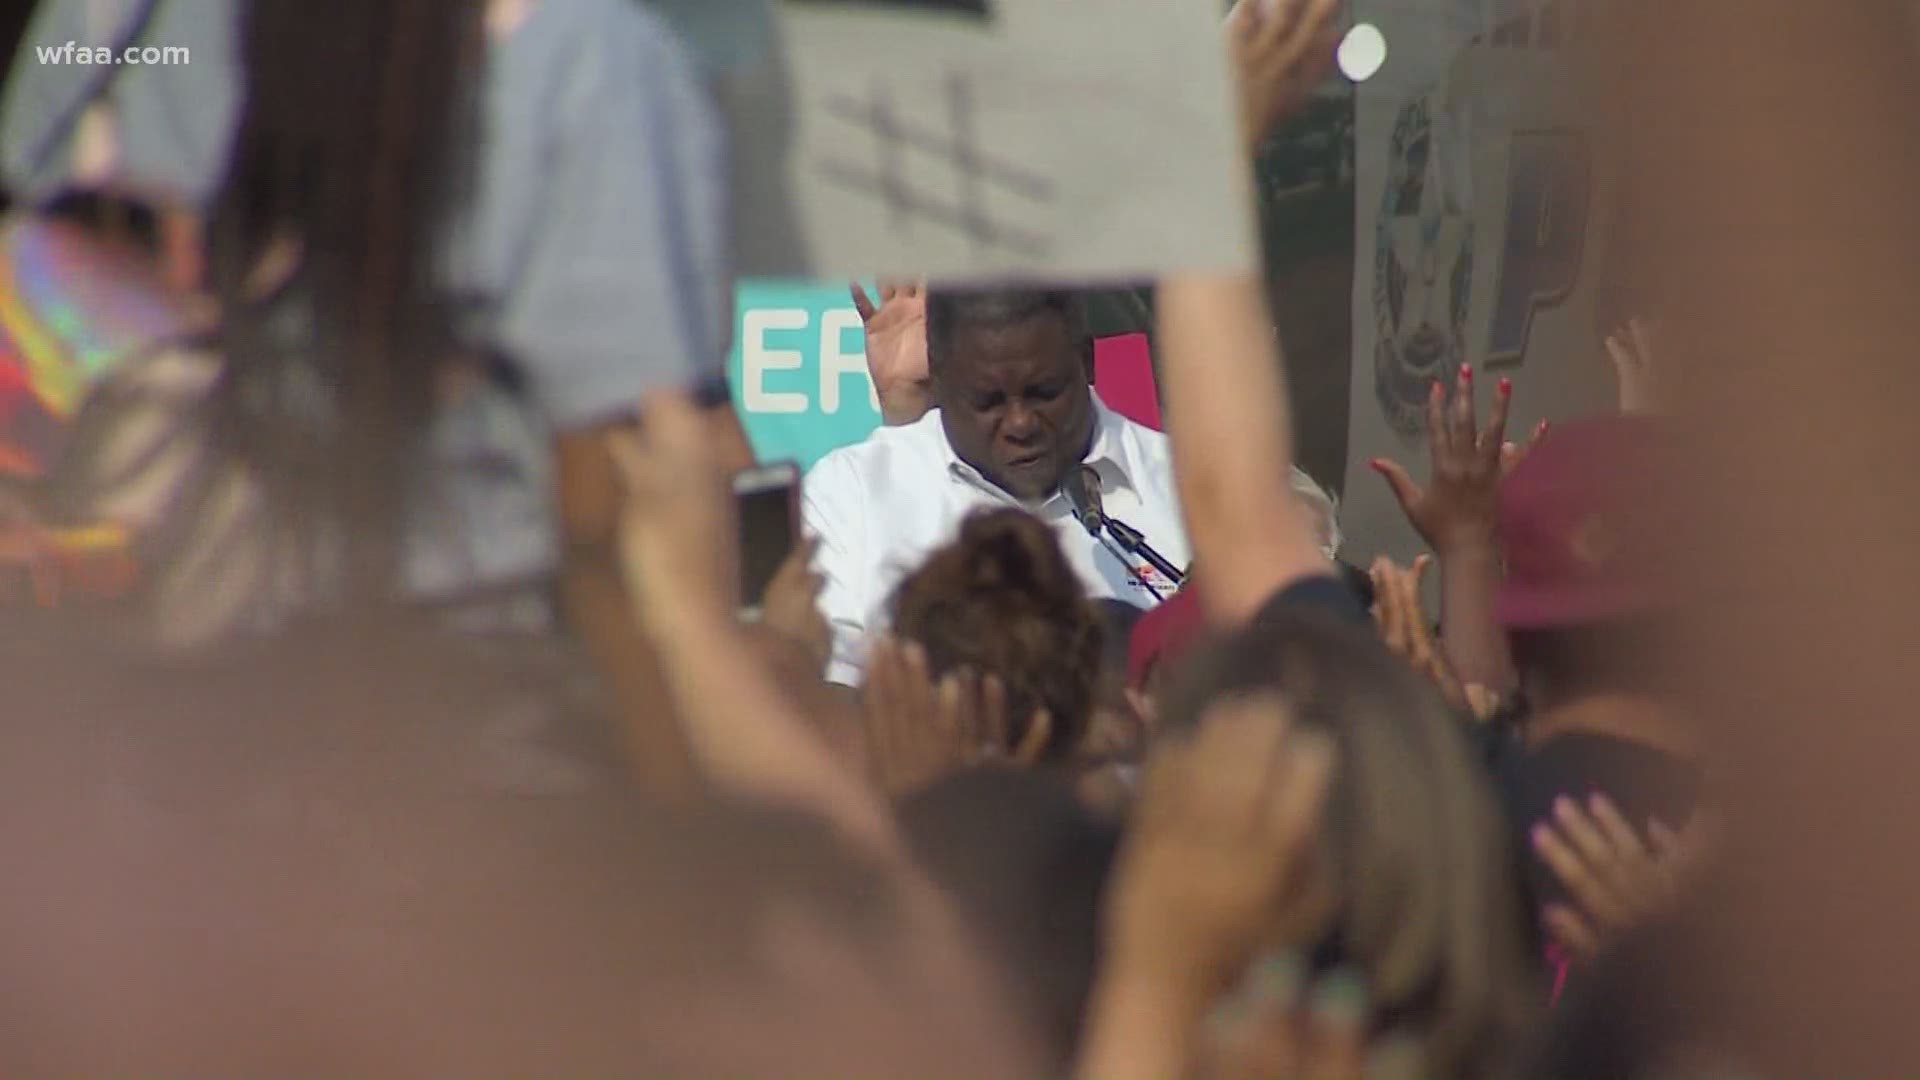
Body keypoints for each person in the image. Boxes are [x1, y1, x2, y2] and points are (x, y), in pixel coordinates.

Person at [5, 0, 745, 795]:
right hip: (469, 749)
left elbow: (39, 330)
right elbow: (614, 520)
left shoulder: (134, 25)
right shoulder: (588, 57)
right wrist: (687, 836)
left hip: (145, 729)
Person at [804, 285, 1194, 686]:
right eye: (988, 401)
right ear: (937, 378)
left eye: (1043, 393)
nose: (1020, 422)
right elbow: (827, 698)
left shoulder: (1185, 487)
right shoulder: (852, 492)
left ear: (1087, 361)